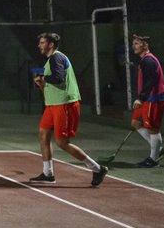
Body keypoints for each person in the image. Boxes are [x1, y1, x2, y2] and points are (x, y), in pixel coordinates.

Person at [30, 32, 108, 187]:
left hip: (64, 104)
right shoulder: (49, 61)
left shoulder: (56, 58)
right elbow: (51, 85)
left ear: (51, 45)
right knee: (43, 134)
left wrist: (44, 78)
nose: (39, 45)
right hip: (53, 104)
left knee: (62, 142)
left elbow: (58, 78)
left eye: (42, 42)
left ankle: (97, 168)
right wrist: (41, 84)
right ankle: (48, 173)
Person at [130, 34, 164, 167]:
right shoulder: (144, 60)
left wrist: (141, 98)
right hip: (148, 98)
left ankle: (153, 160)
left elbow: (150, 81)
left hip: (154, 98)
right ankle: (159, 150)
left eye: (136, 43)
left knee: (153, 129)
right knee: (136, 123)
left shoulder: (149, 61)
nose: (133, 46)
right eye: (133, 43)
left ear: (145, 45)